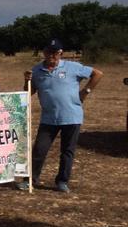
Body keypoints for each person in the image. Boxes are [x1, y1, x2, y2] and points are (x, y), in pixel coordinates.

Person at [20, 39, 103, 193]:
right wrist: (27, 81)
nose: (52, 55)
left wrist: (85, 92)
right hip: (49, 118)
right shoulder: (36, 71)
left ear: (60, 53)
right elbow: (28, 93)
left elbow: (97, 74)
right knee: (39, 149)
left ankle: (62, 181)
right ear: (44, 52)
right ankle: (30, 180)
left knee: (67, 151)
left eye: (55, 52)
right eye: (49, 52)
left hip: (72, 116)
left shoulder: (72, 67)